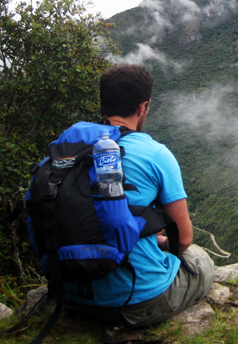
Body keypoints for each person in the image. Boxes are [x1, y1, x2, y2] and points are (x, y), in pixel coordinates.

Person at [65, 64, 215, 327]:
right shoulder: (156, 154)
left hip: (70, 293)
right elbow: (183, 240)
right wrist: (160, 243)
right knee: (199, 257)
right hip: (137, 302)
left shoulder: (68, 149)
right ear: (142, 107)